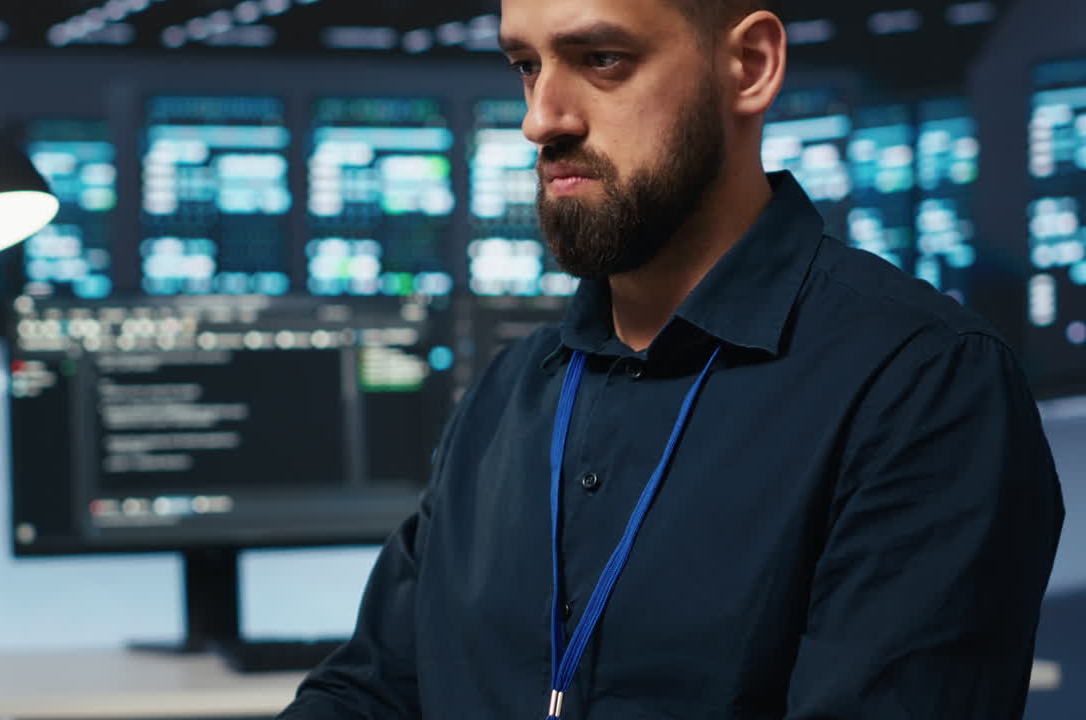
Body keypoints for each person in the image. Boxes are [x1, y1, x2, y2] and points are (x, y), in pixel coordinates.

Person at [278, 0, 1065, 717]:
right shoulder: (510, 394)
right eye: (527, 66)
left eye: (602, 60)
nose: (542, 118)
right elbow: (372, 689)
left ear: (750, 67)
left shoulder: (922, 386)